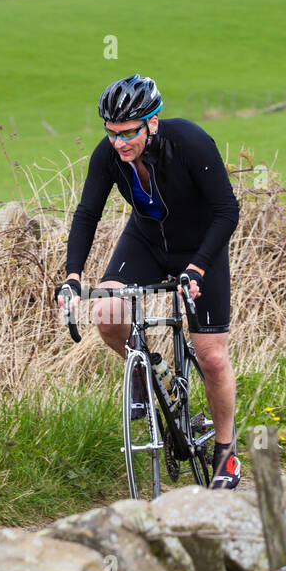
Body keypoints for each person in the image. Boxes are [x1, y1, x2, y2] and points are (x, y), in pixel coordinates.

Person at [55, 74, 243, 487]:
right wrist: (72, 276)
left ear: (152, 123)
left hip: (199, 249)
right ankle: (149, 368)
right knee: (106, 311)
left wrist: (197, 268)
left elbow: (228, 210)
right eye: (111, 133)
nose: (119, 143)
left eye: (127, 133)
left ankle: (226, 451)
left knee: (211, 356)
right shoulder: (107, 156)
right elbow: (88, 214)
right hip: (146, 241)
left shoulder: (191, 142)